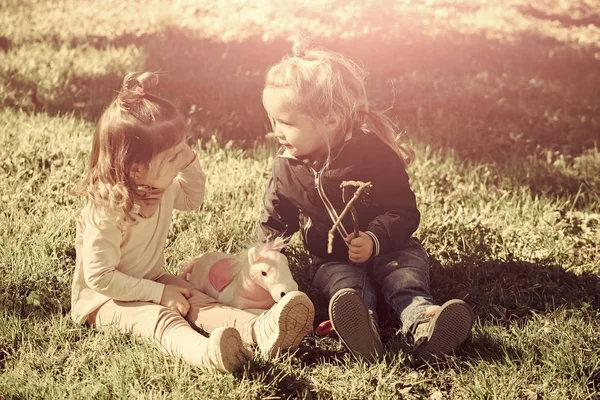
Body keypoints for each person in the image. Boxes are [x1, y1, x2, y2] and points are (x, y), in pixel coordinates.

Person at [71, 72, 315, 373]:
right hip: (104, 301)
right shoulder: (107, 212)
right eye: (174, 156)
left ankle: (259, 330)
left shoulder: (158, 188)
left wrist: (188, 160)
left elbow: (192, 200)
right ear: (137, 171)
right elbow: (101, 278)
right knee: (159, 318)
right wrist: (159, 294)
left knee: (197, 301)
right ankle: (206, 354)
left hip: (151, 279)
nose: (185, 156)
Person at [258, 38, 474, 363]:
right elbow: (276, 220)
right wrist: (264, 257)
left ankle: (425, 323)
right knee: (346, 288)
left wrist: (375, 239)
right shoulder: (287, 166)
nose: (276, 131)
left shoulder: (373, 155)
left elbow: (403, 210)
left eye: (286, 122)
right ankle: (360, 328)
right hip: (332, 258)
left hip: (393, 248)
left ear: (329, 120)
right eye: (273, 120)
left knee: (405, 282)